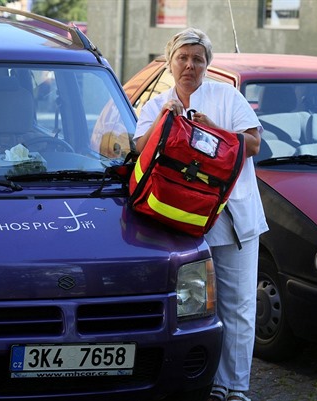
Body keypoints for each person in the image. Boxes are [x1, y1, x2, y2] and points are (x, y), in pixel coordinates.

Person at [133, 28, 269, 401]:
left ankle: (235, 387)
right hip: (182, 223)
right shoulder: (157, 104)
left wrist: (215, 131)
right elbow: (139, 150)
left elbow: (254, 143)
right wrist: (165, 119)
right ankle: (199, 383)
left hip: (234, 220)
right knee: (189, 310)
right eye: (183, 57)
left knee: (239, 306)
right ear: (170, 61)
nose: (190, 65)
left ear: (207, 64)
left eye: (198, 59)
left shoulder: (226, 96)